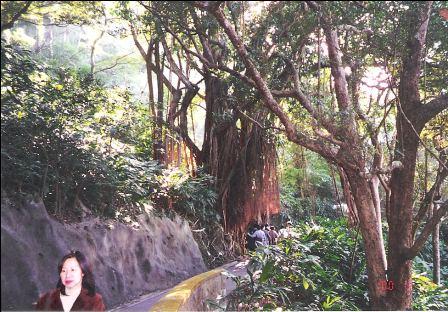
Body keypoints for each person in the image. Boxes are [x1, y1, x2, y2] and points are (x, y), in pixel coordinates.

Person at [36, 250, 105, 311]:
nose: (67, 275)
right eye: (64, 271)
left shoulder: (95, 301)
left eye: (73, 270)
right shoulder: (45, 300)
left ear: (83, 272)